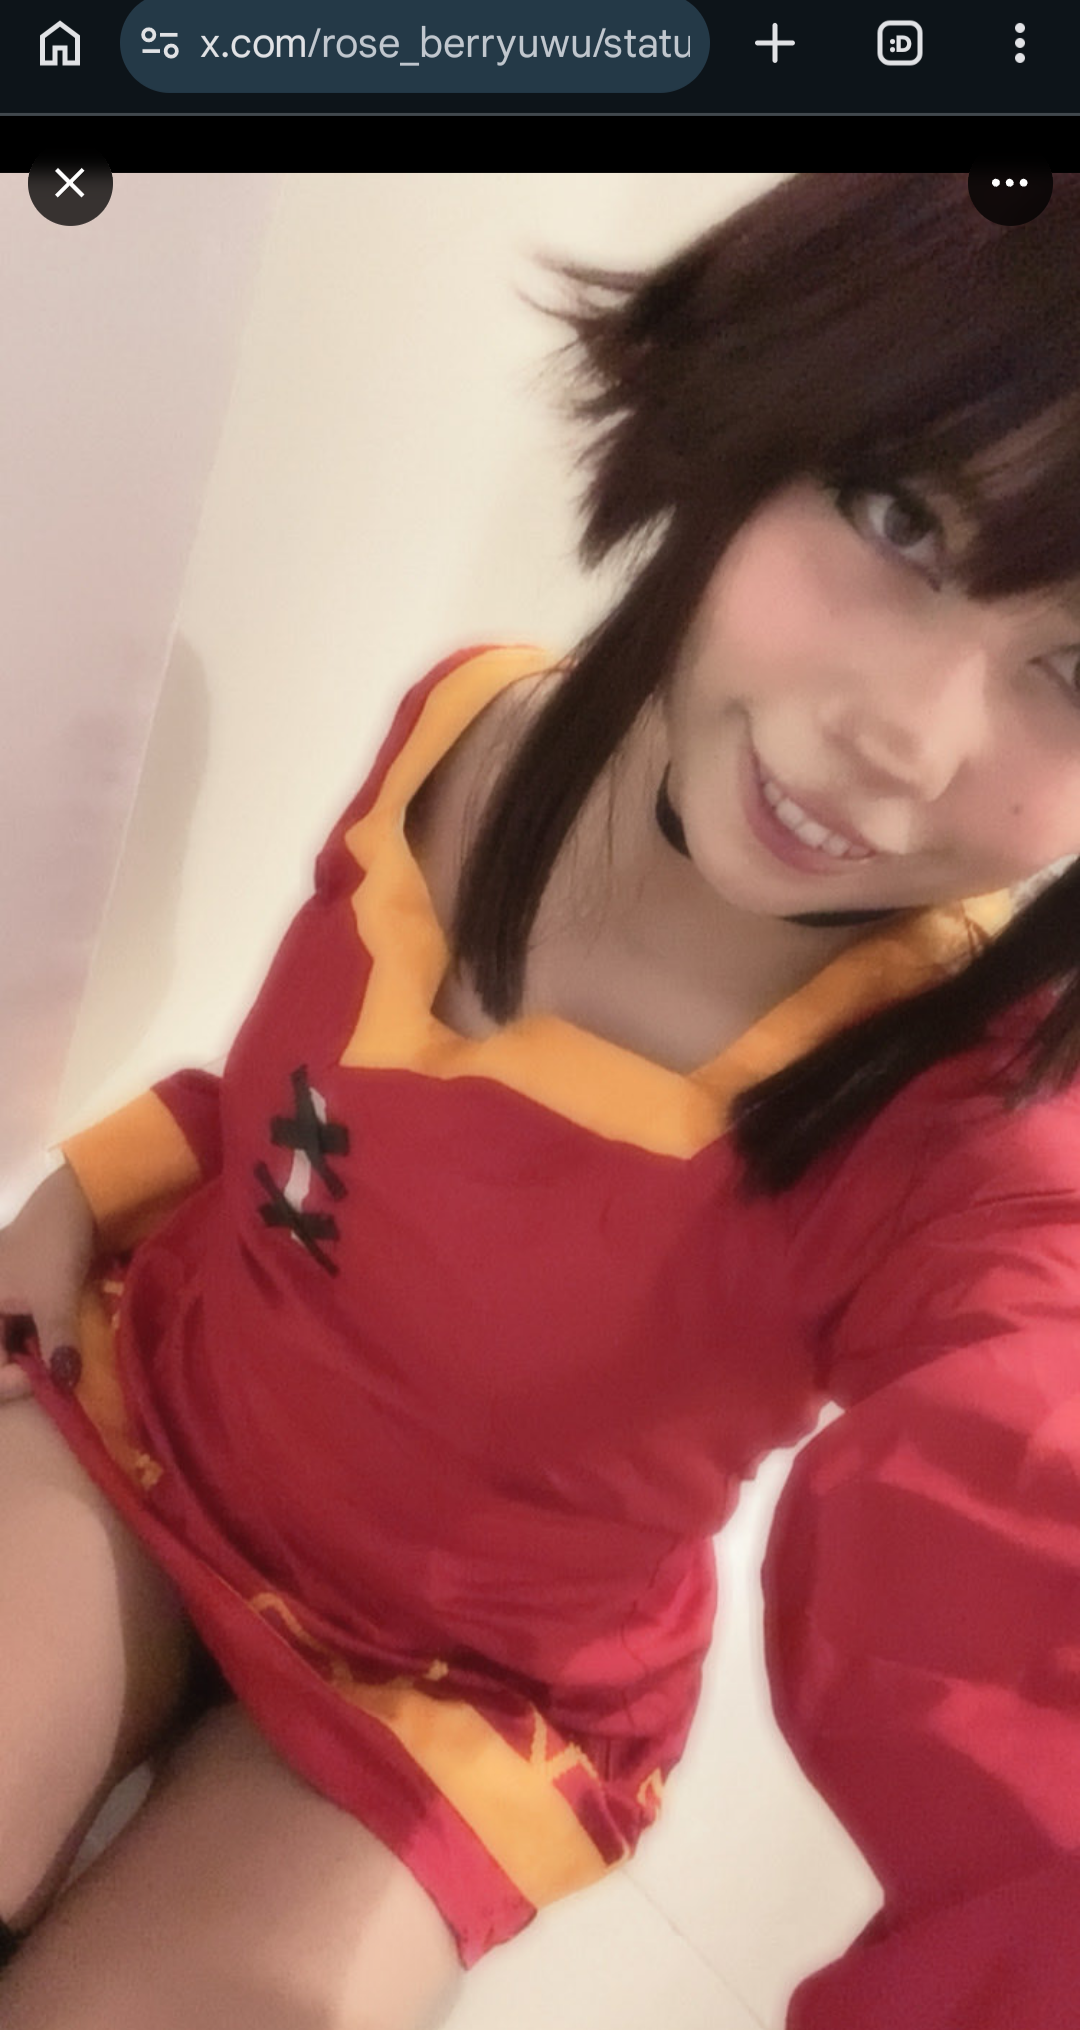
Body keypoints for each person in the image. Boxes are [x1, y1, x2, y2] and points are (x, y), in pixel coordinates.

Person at [2, 170, 1080, 2028]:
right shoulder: (469, 718)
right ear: (756, 389)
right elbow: (287, 1099)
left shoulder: (961, 1143)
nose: (906, 739)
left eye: (1075, 670)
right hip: (158, 1405)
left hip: (465, 1684)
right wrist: (81, 1188)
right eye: (901, 515)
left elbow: (1027, 1522)